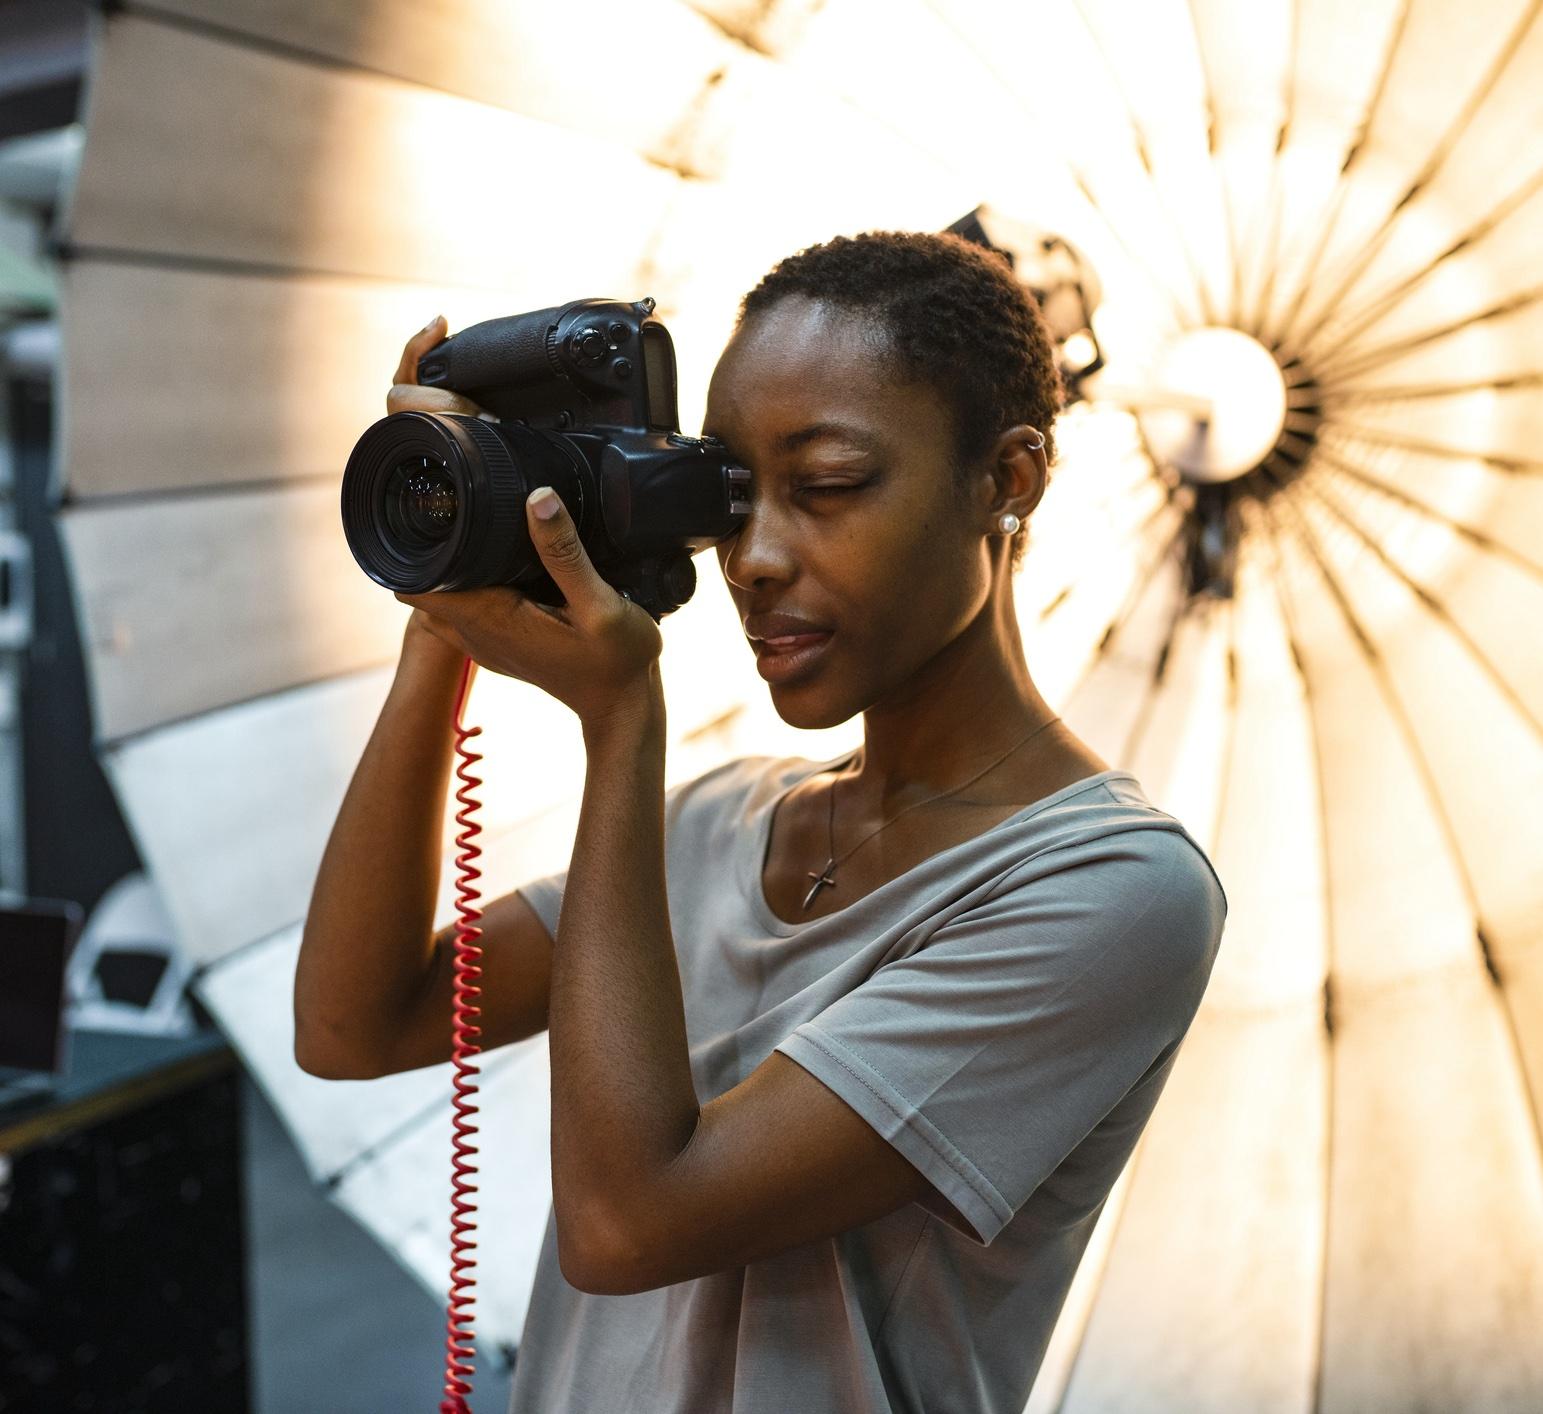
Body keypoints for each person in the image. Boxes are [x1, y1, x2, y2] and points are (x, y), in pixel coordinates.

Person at [295, 230, 1228, 1414]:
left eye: (829, 486)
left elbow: (628, 1221)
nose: (756, 558)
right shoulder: (717, 824)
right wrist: (445, 608)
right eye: (729, 494)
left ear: (1008, 481)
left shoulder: (1111, 891)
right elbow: (350, 1021)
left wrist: (620, 721)